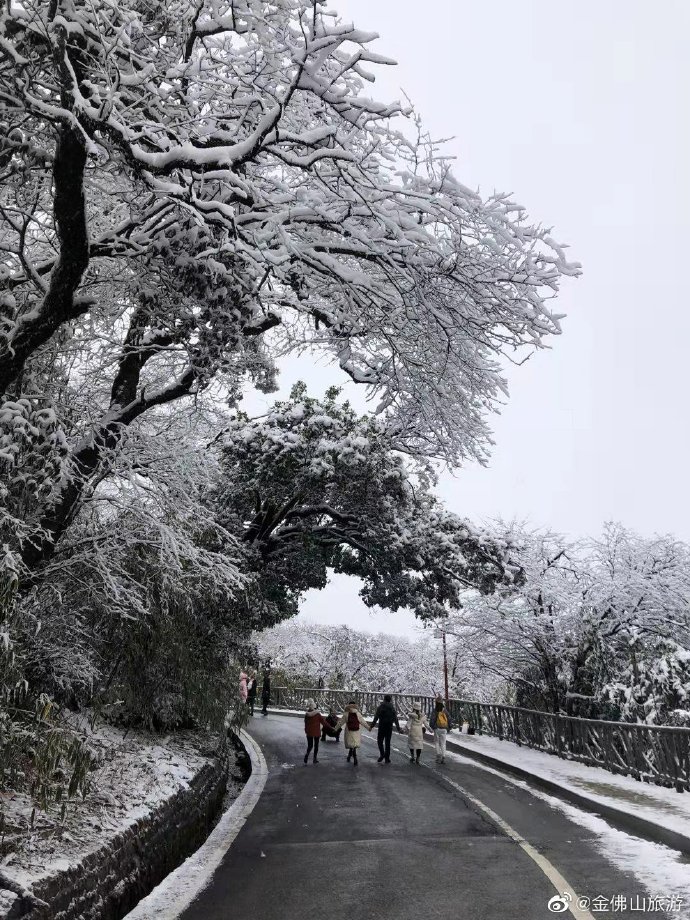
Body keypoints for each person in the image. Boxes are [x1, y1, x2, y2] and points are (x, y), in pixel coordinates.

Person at [335, 700, 371, 766]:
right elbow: (363, 722)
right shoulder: (358, 714)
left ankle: (352, 757)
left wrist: (335, 728)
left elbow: (340, 722)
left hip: (349, 731)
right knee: (354, 744)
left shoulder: (346, 714)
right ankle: (352, 757)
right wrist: (368, 728)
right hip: (357, 731)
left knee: (351, 744)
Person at [370, 694, 401, 763]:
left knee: (380, 741)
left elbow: (376, 717)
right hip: (389, 726)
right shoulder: (392, 708)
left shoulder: (380, 707)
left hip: (382, 726)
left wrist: (372, 726)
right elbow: (396, 719)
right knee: (387, 742)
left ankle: (382, 754)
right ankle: (387, 758)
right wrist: (398, 728)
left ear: (384, 699)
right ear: (390, 700)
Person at [303, 699, 329, 764]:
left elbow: (305, 723)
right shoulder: (317, 714)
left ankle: (307, 754)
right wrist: (331, 727)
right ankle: (314, 759)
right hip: (316, 732)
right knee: (316, 746)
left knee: (310, 746)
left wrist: (306, 730)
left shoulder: (307, 714)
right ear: (314, 707)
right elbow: (324, 722)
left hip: (309, 732)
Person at [430, 697, 453, 763]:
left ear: (436, 702)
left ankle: (438, 755)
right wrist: (449, 727)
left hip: (437, 728)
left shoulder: (435, 710)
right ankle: (443, 756)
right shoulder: (444, 710)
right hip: (444, 729)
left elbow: (432, 719)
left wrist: (432, 726)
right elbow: (449, 718)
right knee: (443, 743)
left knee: (437, 742)